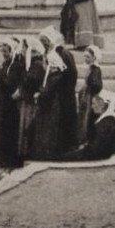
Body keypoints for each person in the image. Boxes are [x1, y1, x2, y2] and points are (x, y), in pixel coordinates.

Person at [34, 27, 79, 159]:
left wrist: (62, 88)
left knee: (63, 122)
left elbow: (69, 73)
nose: (43, 43)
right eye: (41, 41)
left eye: (45, 40)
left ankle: (63, 151)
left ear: (51, 40)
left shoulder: (61, 53)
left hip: (63, 94)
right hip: (58, 93)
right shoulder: (49, 52)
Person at [59, 91, 115, 162]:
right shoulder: (111, 119)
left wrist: (76, 153)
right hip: (99, 155)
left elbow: (95, 150)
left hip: (98, 159)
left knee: (62, 158)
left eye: (94, 103)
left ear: (102, 105)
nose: (92, 107)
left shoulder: (107, 123)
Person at [0, 40, 22, 165]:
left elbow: (9, 84)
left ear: (12, 51)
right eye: (2, 51)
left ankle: (10, 158)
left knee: (10, 130)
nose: (4, 54)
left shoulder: (16, 65)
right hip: (3, 102)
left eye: (6, 51)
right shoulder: (6, 64)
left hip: (11, 102)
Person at [76, 44, 103, 144]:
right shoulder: (91, 68)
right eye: (85, 57)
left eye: (88, 57)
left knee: (89, 117)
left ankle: (87, 139)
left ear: (94, 57)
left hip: (91, 96)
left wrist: (89, 88)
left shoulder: (96, 69)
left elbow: (98, 85)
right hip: (87, 95)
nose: (86, 59)